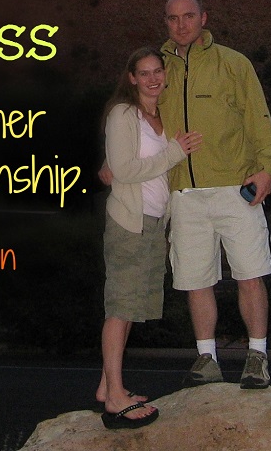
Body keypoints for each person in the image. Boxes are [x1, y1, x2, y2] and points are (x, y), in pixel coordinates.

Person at [159, 0, 271, 390]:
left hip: (235, 187)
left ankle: (257, 357)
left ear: (204, 18)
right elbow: (139, 119)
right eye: (173, 18)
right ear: (167, 23)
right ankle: (206, 358)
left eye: (188, 16)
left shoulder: (233, 63)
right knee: (196, 281)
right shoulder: (159, 70)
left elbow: (259, 119)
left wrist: (267, 168)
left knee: (250, 274)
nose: (181, 24)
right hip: (185, 194)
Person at [97, 47, 202, 429]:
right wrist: (174, 152)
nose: (154, 78)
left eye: (158, 70)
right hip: (129, 223)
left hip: (154, 223)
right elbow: (123, 169)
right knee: (120, 307)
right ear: (132, 78)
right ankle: (115, 398)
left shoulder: (161, 114)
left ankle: (108, 385)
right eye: (145, 73)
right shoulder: (123, 114)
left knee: (130, 305)